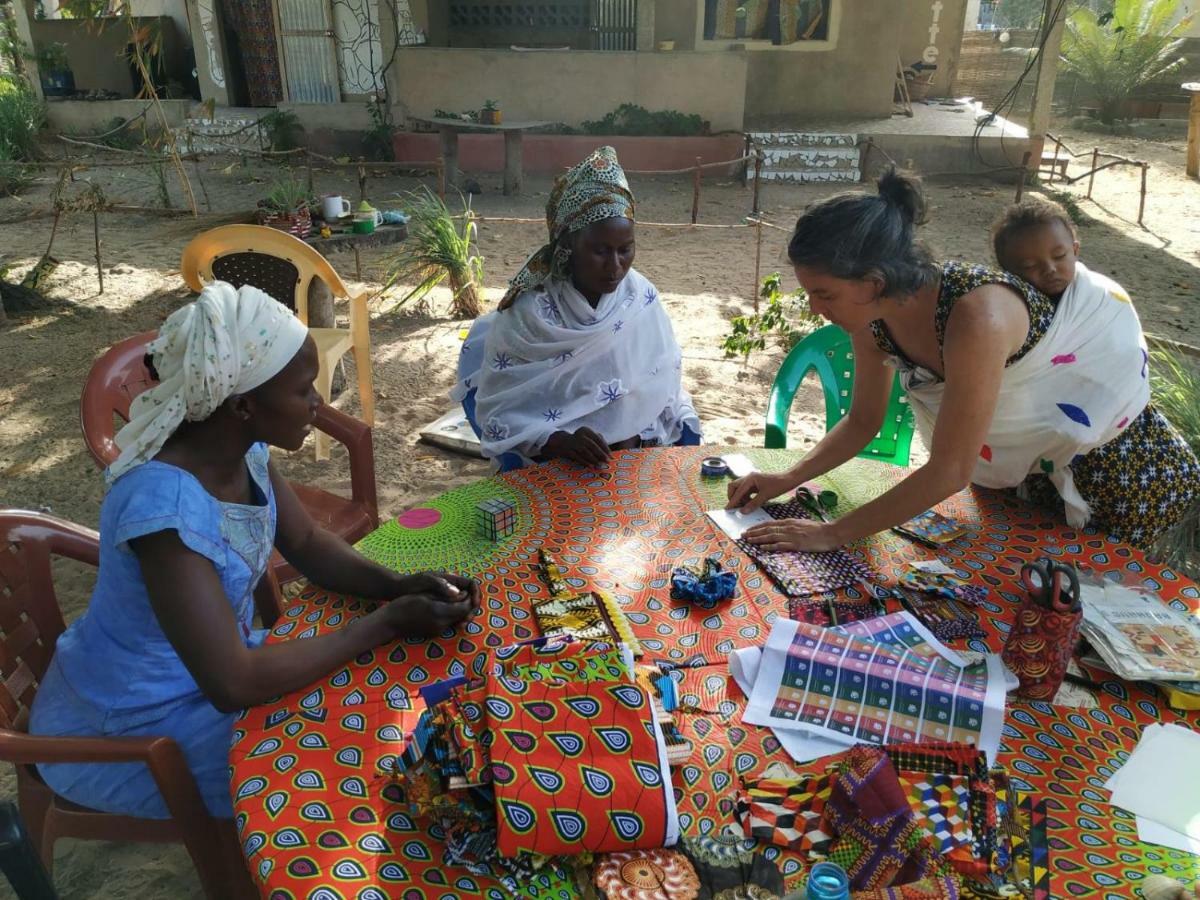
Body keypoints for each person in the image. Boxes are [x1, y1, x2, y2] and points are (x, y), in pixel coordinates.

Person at [31, 283, 479, 850]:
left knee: (376, 699)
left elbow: (310, 544)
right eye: (302, 391)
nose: (318, 401)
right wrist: (386, 622)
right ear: (242, 404)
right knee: (348, 771)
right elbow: (233, 682)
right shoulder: (164, 511)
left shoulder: (244, 451)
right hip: (133, 722)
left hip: (214, 668)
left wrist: (395, 586)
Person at [726, 171, 1197, 551]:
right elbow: (862, 422)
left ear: (873, 282)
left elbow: (951, 471)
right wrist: (787, 477)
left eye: (823, 294)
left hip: (1125, 477)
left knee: (1083, 634)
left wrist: (832, 533)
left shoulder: (976, 316)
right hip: (1032, 481)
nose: (814, 307)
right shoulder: (875, 322)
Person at [457, 145, 701, 470]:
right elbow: (500, 410)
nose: (615, 267)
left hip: (632, 455)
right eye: (600, 251)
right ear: (569, 245)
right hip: (553, 465)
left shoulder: (640, 297)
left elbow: (658, 383)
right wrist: (560, 441)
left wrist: (633, 434)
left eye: (625, 250)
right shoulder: (529, 312)